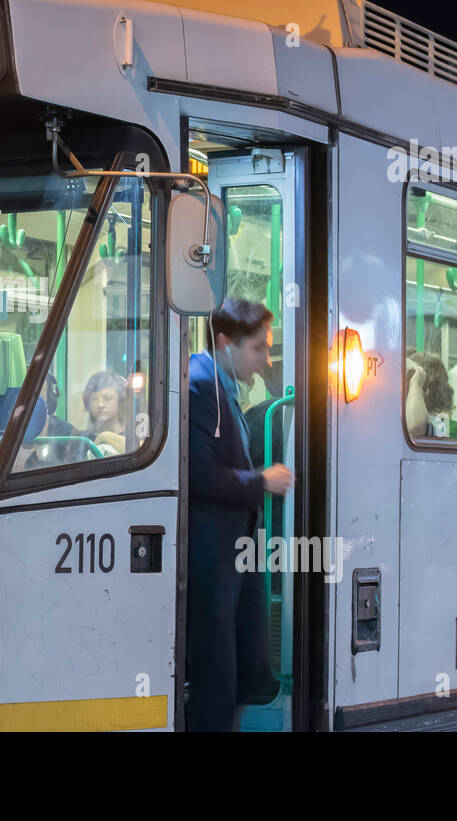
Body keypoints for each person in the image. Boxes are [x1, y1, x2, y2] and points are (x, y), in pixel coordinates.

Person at [186, 298, 294, 731]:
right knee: (218, 680)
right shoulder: (200, 387)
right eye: (258, 349)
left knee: (245, 673)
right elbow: (197, 473)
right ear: (225, 343)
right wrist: (260, 481)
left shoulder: (221, 388)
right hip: (211, 562)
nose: (266, 361)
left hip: (231, 560)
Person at [406, 352, 457, 439]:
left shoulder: (446, 429)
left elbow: (415, 428)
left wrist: (416, 384)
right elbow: (415, 427)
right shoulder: (449, 428)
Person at [82, 370, 129, 455]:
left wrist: (105, 436)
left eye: (107, 398)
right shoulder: (82, 440)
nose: (100, 404)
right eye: (94, 399)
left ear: (121, 401)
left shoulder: (134, 439)